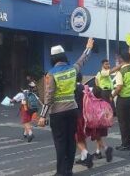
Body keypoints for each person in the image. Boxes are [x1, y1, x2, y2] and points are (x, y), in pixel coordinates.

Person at [38, 38, 94, 176]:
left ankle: (61, 172)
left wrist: (42, 116)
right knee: (70, 141)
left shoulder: (51, 74)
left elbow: (49, 96)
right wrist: (88, 47)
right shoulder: (72, 69)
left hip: (57, 113)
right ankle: (68, 170)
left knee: (60, 142)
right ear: (63, 56)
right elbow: (83, 60)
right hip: (72, 111)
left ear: (53, 58)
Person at [111, 48, 130, 151]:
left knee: (122, 122)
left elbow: (119, 87)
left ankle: (124, 144)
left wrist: (112, 96)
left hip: (122, 100)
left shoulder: (120, 72)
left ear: (121, 59)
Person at [85, 86, 113, 162]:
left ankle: (106, 148)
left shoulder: (92, 102)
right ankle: (98, 152)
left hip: (95, 123)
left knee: (97, 137)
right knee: (99, 136)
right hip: (103, 123)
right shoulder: (104, 102)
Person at [74, 73, 93, 168]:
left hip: (76, 115)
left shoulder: (73, 88)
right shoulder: (85, 87)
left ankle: (86, 154)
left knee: (76, 138)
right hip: (85, 114)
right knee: (82, 137)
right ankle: (83, 158)